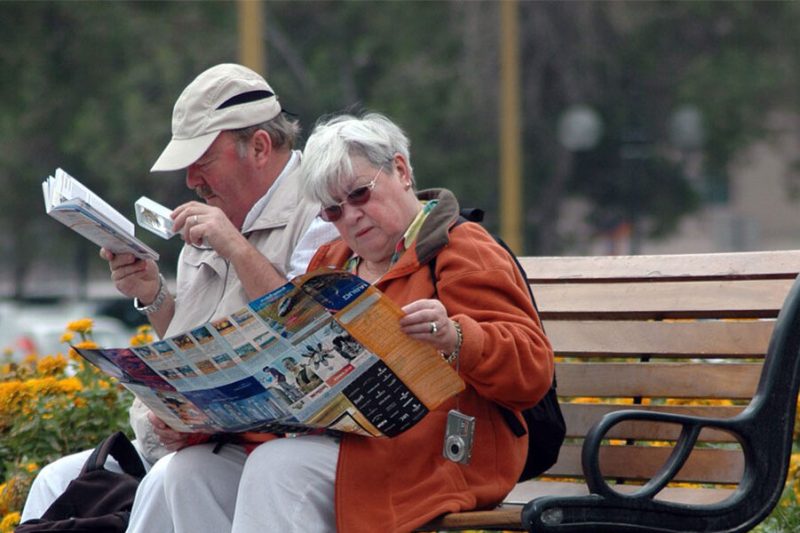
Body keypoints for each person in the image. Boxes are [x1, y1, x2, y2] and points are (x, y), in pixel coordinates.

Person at [125, 112, 554, 532]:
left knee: (279, 469)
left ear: (401, 171)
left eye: (360, 194)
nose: (350, 216)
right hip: (340, 447)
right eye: (332, 210)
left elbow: (532, 371)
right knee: (190, 472)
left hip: (437, 455)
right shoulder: (330, 263)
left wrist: (456, 336)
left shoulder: (458, 247)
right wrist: (196, 423)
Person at [20, 63, 337, 522]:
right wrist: (154, 295)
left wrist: (233, 244)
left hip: (256, 448)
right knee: (53, 480)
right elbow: (189, 342)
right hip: (185, 440)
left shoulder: (321, 207)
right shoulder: (213, 216)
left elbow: (305, 334)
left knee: (176, 477)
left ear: (260, 147)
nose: (191, 181)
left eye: (201, 162)